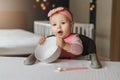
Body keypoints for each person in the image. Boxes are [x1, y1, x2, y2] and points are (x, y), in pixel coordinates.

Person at [24, 7, 102, 69]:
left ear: (71, 25)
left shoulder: (74, 38)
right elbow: (46, 51)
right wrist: (41, 44)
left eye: (63, 23)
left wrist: (65, 45)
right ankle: (34, 56)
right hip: (56, 63)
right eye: (54, 25)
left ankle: (93, 57)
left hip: (74, 63)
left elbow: (79, 50)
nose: (58, 27)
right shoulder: (52, 39)